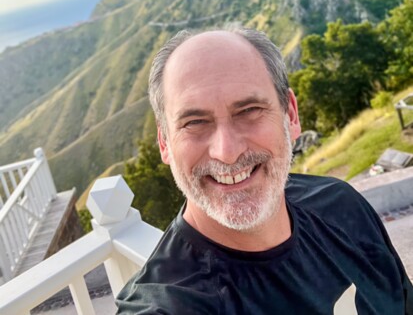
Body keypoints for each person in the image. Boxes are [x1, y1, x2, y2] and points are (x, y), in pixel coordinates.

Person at [116, 28, 413, 314]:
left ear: (291, 115)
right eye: (194, 122)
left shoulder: (342, 207)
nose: (227, 151)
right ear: (165, 143)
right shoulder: (167, 305)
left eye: (248, 111)